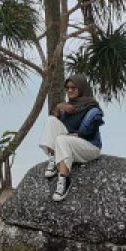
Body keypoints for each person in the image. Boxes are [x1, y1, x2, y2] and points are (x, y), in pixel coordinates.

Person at [38, 74, 104, 202]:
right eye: (67, 88)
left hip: (90, 146)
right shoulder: (68, 107)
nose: (69, 90)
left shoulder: (92, 107)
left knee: (62, 139)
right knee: (51, 120)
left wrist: (79, 134)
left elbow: (89, 131)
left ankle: (64, 180)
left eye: (74, 87)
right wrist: (58, 108)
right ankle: (53, 158)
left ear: (82, 88)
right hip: (71, 144)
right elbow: (56, 126)